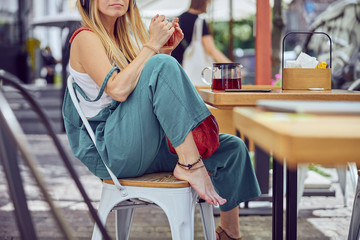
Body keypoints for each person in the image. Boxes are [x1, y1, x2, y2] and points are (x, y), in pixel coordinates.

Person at [62, 0, 260, 239]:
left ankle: (229, 233)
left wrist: (163, 50)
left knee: (232, 148)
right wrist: (153, 47)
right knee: (161, 64)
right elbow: (118, 90)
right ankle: (190, 165)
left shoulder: (123, 42)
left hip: (141, 143)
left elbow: (145, 89)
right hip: (112, 150)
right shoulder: (85, 37)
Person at [172, 0, 231, 65]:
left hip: (176, 65)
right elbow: (211, 50)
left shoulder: (179, 18)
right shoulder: (199, 22)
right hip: (188, 68)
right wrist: (232, 67)